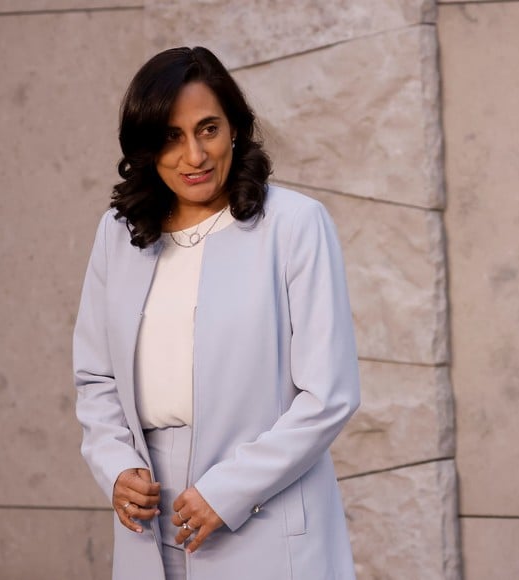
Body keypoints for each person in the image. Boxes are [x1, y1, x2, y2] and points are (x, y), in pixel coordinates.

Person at [73, 46, 360, 580]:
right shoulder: (119, 235)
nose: (194, 156)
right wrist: (116, 469)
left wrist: (227, 491)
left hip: (264, 513)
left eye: (208, 129)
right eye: (170, 137)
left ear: (236, 129)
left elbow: (329, 394)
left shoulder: (295, 226)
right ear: (145, 147)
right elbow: (95, 377)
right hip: (149, 513)